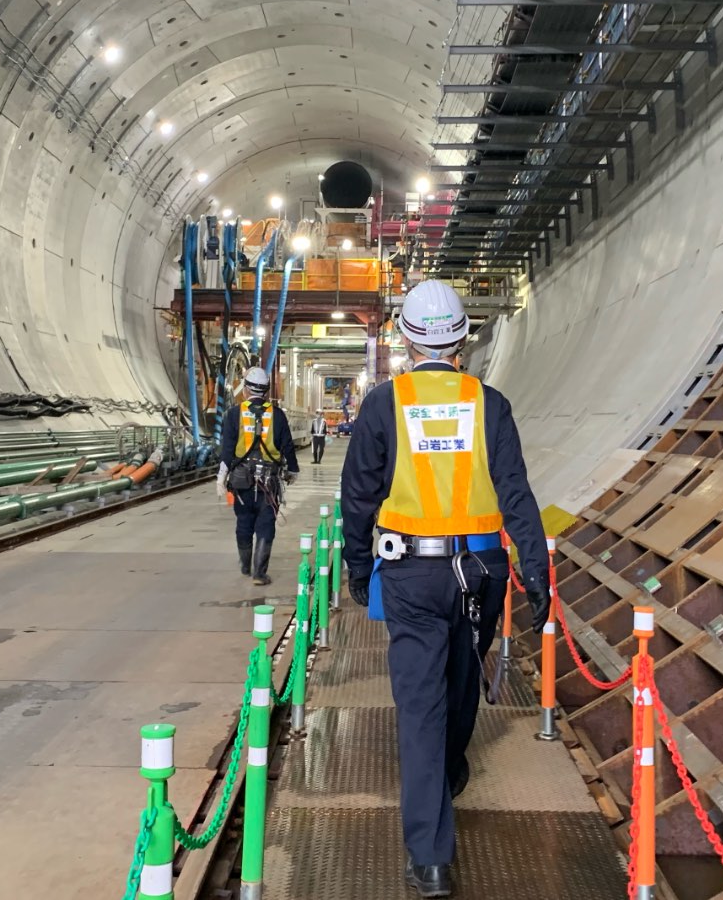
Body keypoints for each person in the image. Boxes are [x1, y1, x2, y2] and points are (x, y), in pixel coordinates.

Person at [340, 280, 551, 898]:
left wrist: (359, 566)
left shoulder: (384, 404)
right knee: (462, 676)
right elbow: (515, 492)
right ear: (463, 338)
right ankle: (452, 770)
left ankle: (430, 856)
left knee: (421, 703)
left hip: (409, 572)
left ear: (406, 339)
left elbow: (359, 495)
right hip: (480, 573)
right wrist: (535, 571)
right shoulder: (491, 404)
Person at [216, 367, 299, 585]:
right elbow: (287, 446)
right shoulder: (277, 415)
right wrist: (292, 470)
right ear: (266, 390)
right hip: (268, 482)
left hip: (241, 481)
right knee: (265, 525)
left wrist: (221, 478)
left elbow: (227, 449)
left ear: (245, 389)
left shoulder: (234, 414)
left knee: (243, 521)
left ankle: (245, 564)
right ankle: (259, 573)